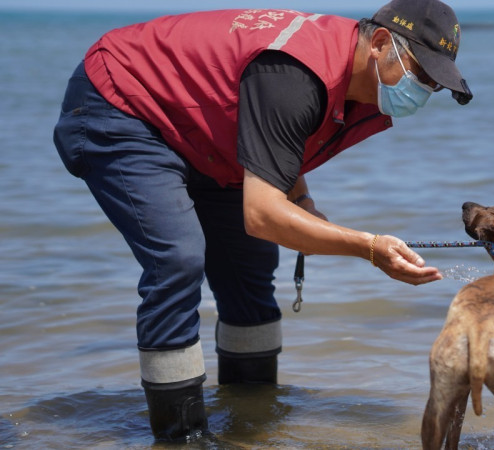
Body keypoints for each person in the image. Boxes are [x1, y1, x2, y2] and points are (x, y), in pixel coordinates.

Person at [52, 0, 472, 442]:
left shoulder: (346, 77)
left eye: (435, 84)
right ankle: (181, 437)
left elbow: (278, 140)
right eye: (421, 74)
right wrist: (368, 247)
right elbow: (262, 212)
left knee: (250, 267)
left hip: (211, 134)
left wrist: (303, 199)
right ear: (381, 43)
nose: (424, 90)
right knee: (177, 259)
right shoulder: (294, 73)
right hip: (124, 103)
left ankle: (250, 423)